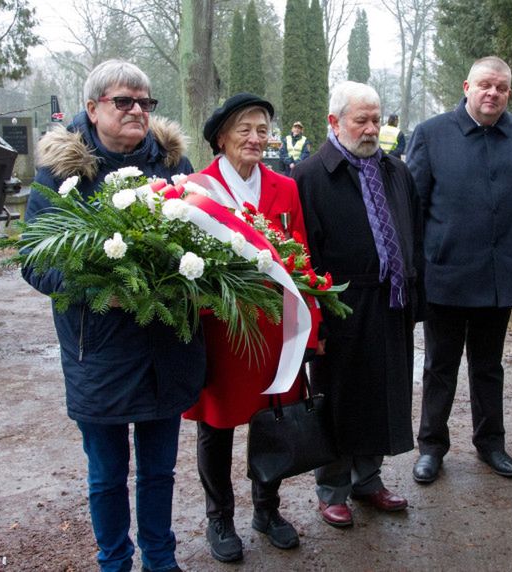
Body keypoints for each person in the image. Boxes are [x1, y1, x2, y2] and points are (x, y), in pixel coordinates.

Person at [24, 59, 203, 572]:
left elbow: (202, 238)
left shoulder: (175, 165)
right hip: (97, 346)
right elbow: (36, 259)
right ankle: (114, 562)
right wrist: (101, 290)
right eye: (123, 101)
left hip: (167, 345)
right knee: (106, 474)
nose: (137, 111)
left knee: (159, 471)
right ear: (92, 108)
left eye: (146, 102)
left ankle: (161, 560)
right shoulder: (61, 173)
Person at [406, 56, 512, 483]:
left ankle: (491, 443)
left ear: (509, 92)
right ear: (467, 86)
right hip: (446, 273)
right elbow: (414, 208)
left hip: (499, 273)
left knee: (489, 365)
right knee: (440, 365)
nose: (493, 93)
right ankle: (431, 446)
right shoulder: (432, 135)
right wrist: (415, 268)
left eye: (502, 88)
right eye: (485, 85)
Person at [182, 93, 317, 561]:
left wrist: (310, 330)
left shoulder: (286, 188)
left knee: (271, 420)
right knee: (216, 427)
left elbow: (301, 259)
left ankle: (267, 509)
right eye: (245, 129)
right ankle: (219, 518)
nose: (256, 138)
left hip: (275, 328)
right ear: (222, 138)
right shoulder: (197, 191)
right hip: (222, 330)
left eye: (263, 129)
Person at [293, 81, 425, 528]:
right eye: (360, 120)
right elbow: (302, 252)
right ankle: (332, 489)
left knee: (382, 393)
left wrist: (414, 297)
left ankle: (368, 479)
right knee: (337, 399)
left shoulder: (395, 170)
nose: (371, 129)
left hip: (390, 302)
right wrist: (316, 325)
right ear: (334, 122)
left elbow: (414, 234)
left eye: (375, 119)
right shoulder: (310, 175)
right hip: (340, 306)